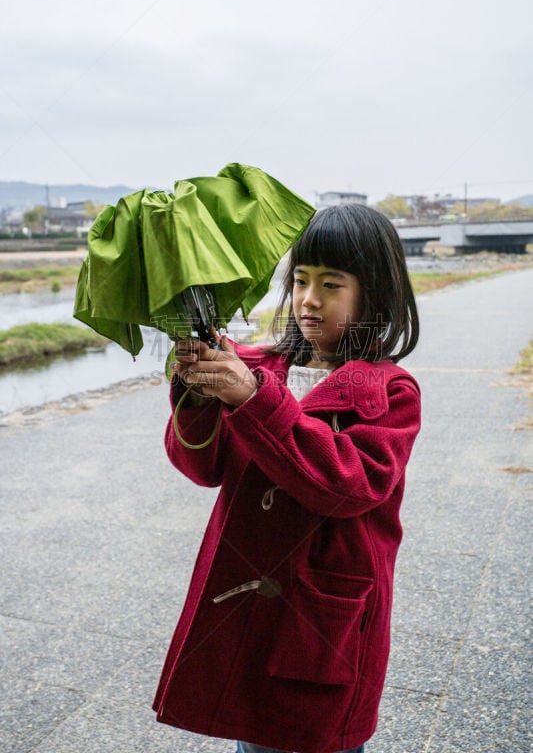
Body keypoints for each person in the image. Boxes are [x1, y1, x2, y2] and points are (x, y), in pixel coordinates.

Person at [152, 204, 421, 753]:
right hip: (246, 603)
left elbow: (347, 486)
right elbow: (202, 467)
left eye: (332, 284)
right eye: (299, 280)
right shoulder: (260, 367)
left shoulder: (390, 392)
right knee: (254, 735)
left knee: (309, 734)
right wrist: (202, 392)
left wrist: (252, 399)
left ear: (376, 294)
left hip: (321, 618)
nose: (309, 300)